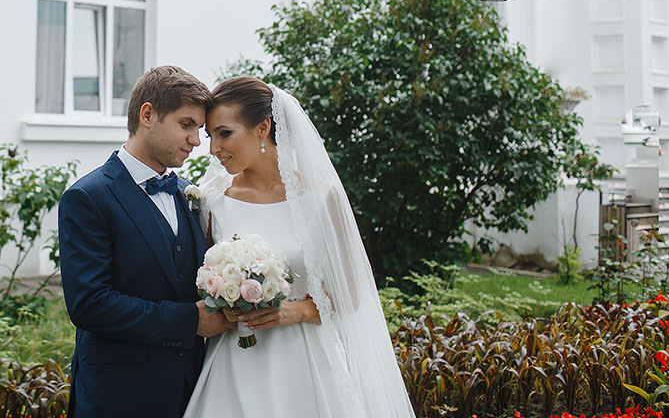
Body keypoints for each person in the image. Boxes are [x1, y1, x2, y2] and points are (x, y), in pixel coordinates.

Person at [183, 75, 416, 418]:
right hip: (234, 361)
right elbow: (199, 286)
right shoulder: (213, 199)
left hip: (304, 360)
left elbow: (351, 294)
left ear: (263, 127)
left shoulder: (321, 198)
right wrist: (223, 304)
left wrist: (299, 311)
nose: (214, 149)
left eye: (224, 133)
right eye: (210, 137)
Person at [58, 65, 234, 418]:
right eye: (186, 125)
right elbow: (89, 304)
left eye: (199, 129)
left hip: (191, 390)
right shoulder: (88, 197)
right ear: (148, 115)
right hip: (118, 395)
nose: (197, 142)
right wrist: (191, 322)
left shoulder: (190, 195)